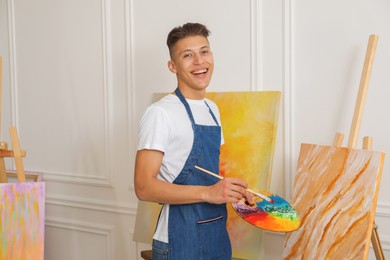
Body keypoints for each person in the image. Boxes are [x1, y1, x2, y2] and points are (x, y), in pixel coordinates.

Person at [134, 22, 253, 260]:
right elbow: (143, 187)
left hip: (216, 233)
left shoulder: (212, 109)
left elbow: (208, 175)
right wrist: (209, 193)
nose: (199, 62)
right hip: (179, 239)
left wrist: (232, 193)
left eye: (204, 51)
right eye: (188, 55)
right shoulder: (160, 114)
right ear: (172, 66)